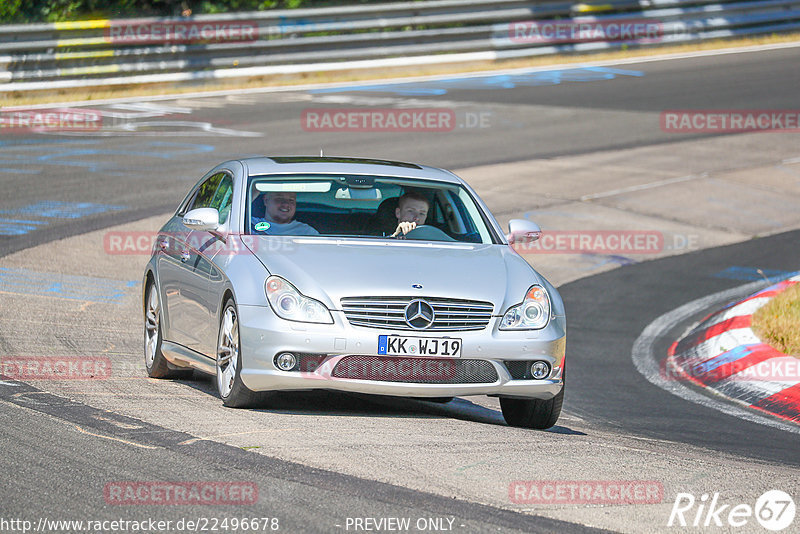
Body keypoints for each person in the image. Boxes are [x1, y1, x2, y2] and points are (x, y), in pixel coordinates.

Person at [252, 191, 319, 236]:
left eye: (291, 200)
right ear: (266, 201)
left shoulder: (307, 232)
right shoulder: (248, 224)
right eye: (279, 199)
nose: (286, 204)